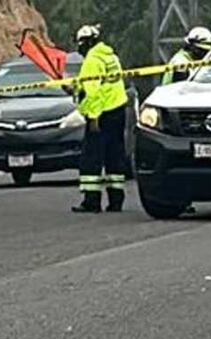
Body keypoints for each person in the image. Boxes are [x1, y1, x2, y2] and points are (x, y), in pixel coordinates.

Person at [71, 25, 129, 213]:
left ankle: (91, 201)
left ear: (86, 43)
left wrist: (94, 117)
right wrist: (75, 88)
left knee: (92, 158)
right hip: (118, 110)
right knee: (115, 156)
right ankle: (116, 200)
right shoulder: (111, 56)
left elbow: (94, 92)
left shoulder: (92, 60)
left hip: (101, 115)